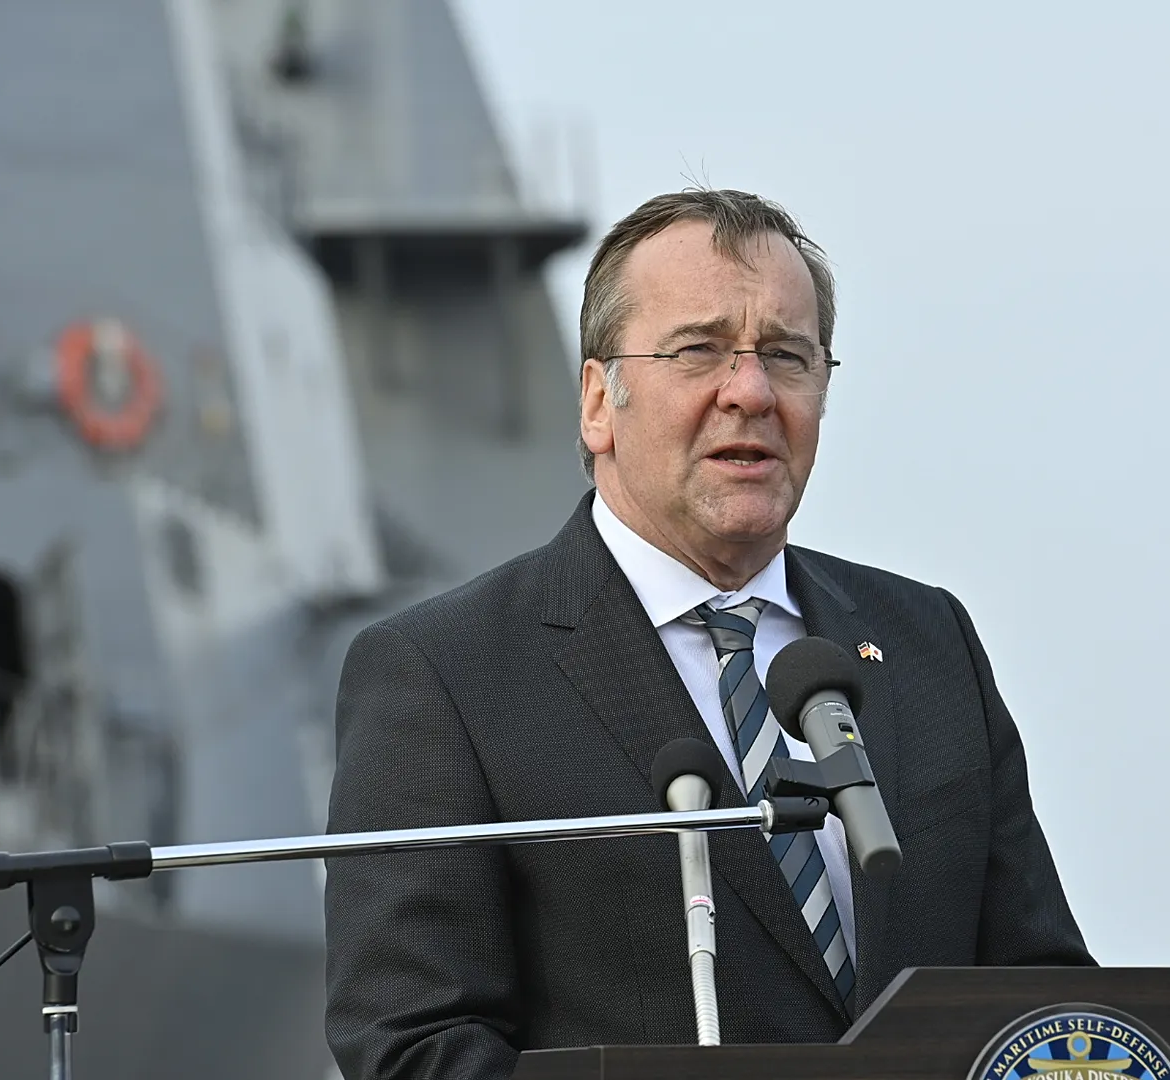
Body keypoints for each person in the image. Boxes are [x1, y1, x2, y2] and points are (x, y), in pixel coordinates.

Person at [325, 189, 1092, 1079]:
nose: (751, 392)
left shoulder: (927, 642)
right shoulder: (446, 674)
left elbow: (1043, 998)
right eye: (698, 350)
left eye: (788, 356)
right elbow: (414, 1047)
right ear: (598, 403)